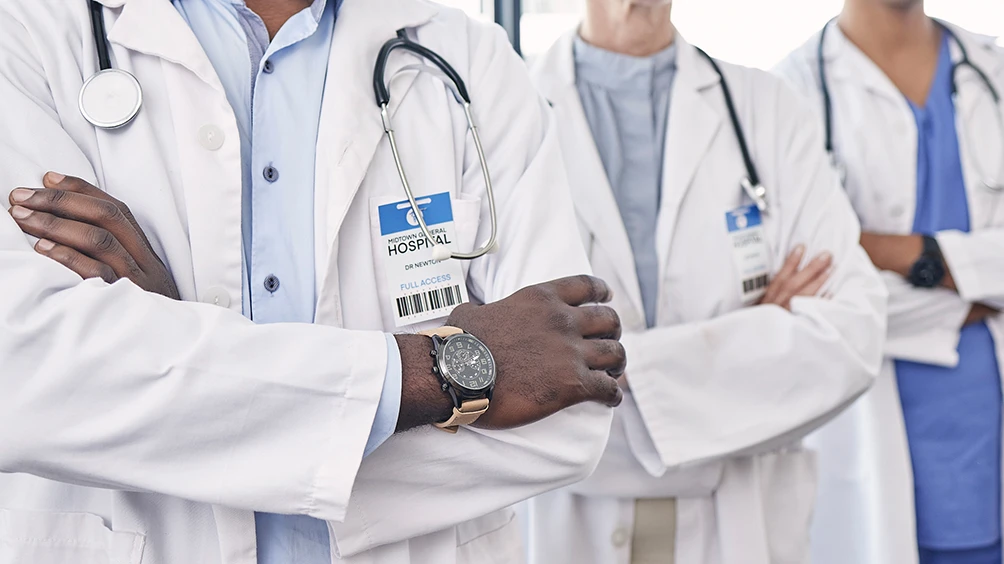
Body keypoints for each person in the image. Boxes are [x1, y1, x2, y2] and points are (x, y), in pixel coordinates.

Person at [0, 0, 628, 563]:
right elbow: (26, 381)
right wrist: (437, 372)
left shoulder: (469, 59)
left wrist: (172, 362)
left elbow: (564, 412)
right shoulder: (25, 37)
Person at [524, 0, 887, 563]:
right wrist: (757, 334)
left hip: (743, 522)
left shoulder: (767, 110)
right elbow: (493, 370)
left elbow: (852, 335)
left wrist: (594, 375)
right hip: (562, 525)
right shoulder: (507, 115)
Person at [776, 1, 1004, 563]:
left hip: (987, 441)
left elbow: (845, 280)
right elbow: (810, 295)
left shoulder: (993, 69)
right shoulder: (789, 94)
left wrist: (895, 250)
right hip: (867, 433)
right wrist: (981, 290)